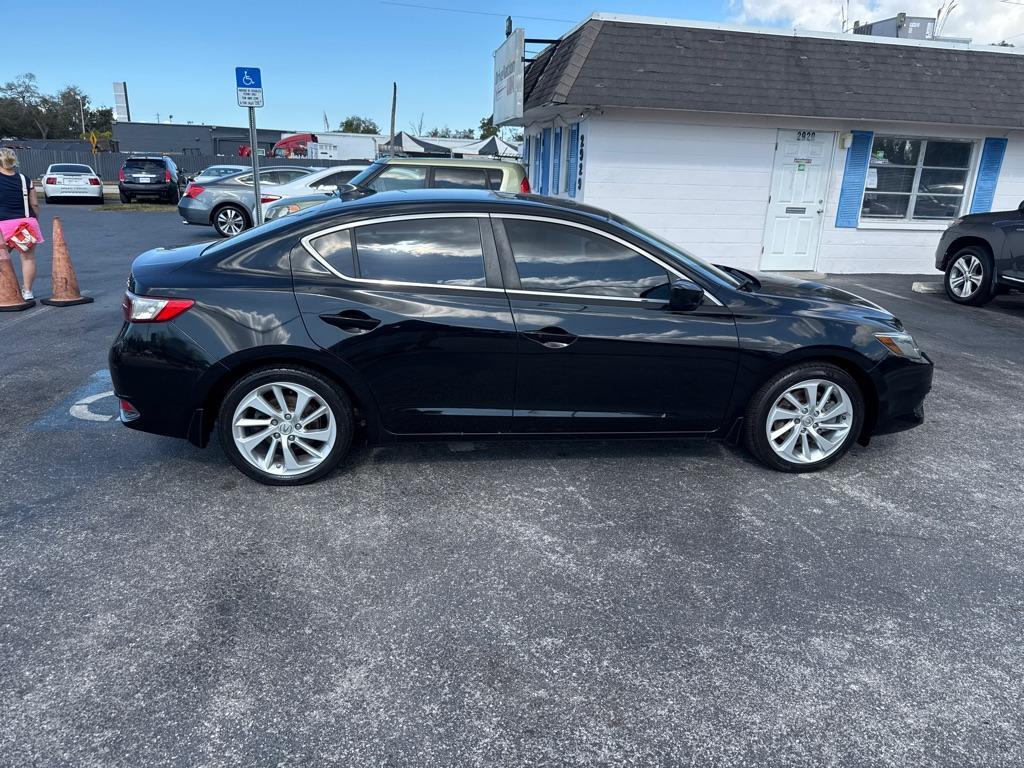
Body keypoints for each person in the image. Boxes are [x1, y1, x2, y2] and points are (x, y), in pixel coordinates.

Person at [0, 148, 43, 301]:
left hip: (2, 224)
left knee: (2, 258)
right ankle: (28, 291)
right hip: (25, 223)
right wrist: (34, 221)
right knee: (28, 258)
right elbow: (35, 204)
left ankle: (4, 290)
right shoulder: (26, 179)